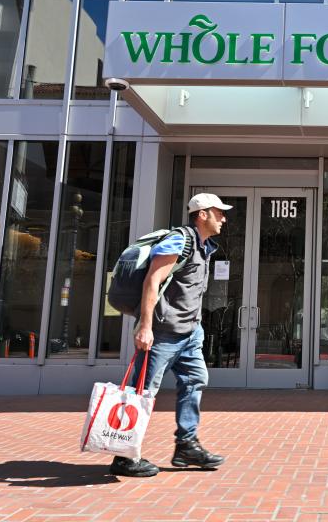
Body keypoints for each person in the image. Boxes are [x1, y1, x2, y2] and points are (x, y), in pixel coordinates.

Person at [110, 193, 232, 478]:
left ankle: (186, 446)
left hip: (190, 333)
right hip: (162, 334)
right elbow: (153, 280)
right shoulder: (181, 240)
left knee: (195, 380)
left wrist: (196, 326)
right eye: (219, 212)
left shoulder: (205, 248)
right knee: (142, 392)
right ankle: (124, 455)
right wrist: (145, 326)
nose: (223, 218)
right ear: (202, 214)